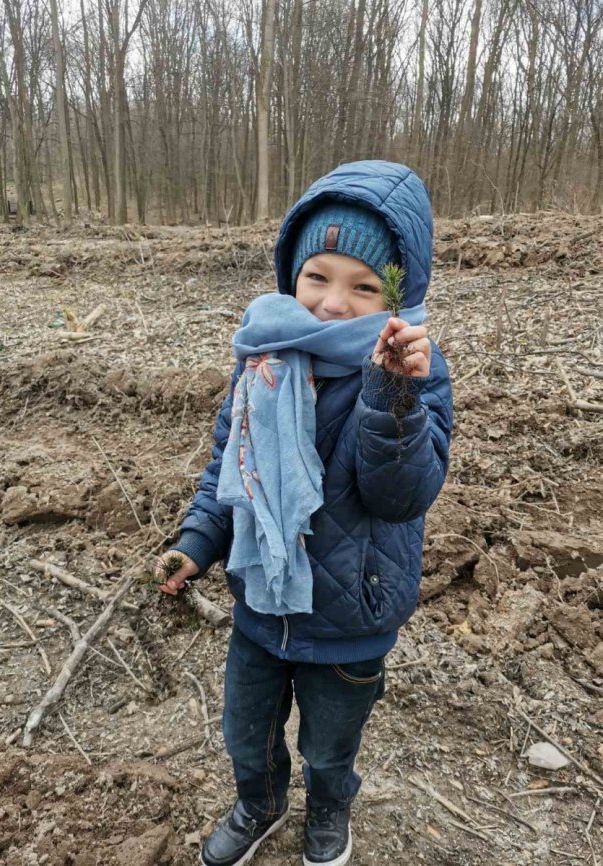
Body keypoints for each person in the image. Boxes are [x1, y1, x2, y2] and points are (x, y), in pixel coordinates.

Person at [155, 160, 453, 866]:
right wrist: (198, 541)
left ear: (398, 295)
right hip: (261, 603)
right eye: (317, 275)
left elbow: (400, 495)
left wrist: (393, 398)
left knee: (330, 743)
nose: (332, 302)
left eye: (364, 286)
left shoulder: (414, 371)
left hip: (353, 614)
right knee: (246, 729)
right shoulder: (264, 356)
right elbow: (232, 466)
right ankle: (258, 803)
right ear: (291, 270)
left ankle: (328, 811)